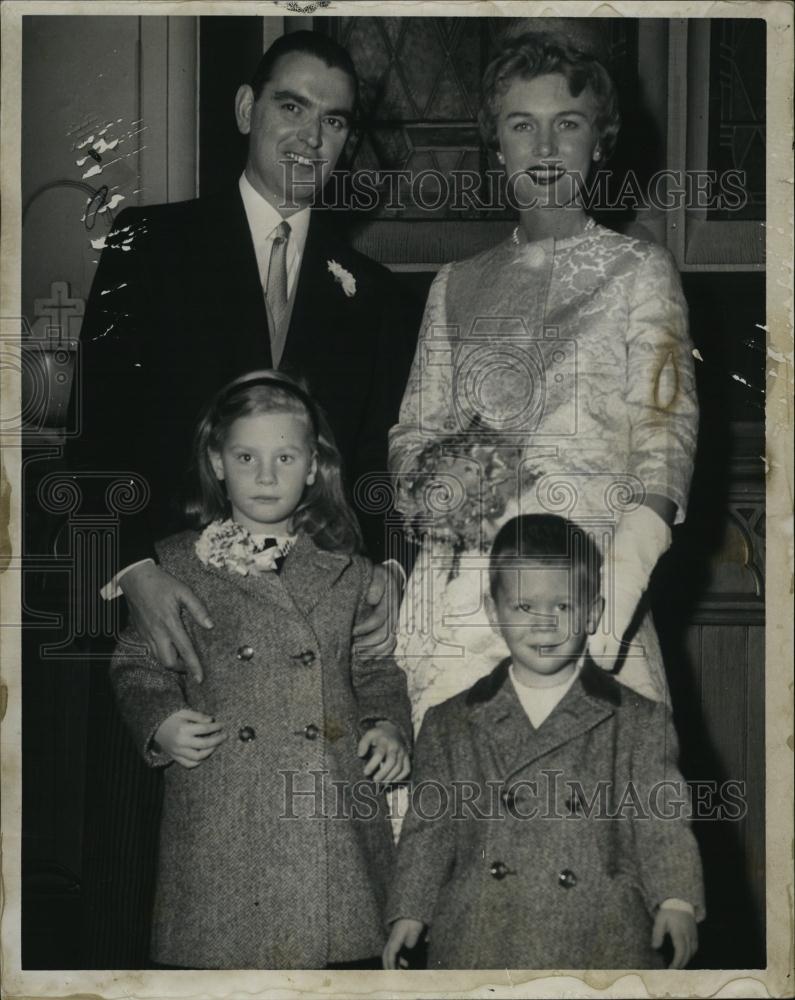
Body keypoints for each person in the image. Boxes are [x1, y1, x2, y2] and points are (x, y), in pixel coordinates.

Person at [72, 30, 420, 679]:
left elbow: (382, 460)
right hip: (169, 624)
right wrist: (131, 572)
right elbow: (95, 439)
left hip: (314, 640)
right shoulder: (146, 247)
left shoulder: (376, 295)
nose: (310, 137)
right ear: (244, 110)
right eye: (291, 107)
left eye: (333, 120)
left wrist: (395, 569)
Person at [388, 36, 698, 728]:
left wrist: (610, 599)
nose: (545, 146)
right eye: (521, 124)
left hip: (587, 591)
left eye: (568, 123)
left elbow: (664, 437)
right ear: (496, 145)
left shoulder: (637, 270)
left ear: (599, 141)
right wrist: (445, 488)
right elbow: (413, 434)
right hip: (462, 599)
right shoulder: (455, 284)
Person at [110, 371, 412, 969]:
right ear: (218, 464)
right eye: (247, 456)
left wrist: (388, 725)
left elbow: (375, 669)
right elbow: (137, 662)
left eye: (285, 457)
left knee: (336, 969)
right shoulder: (177, 564)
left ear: (312, 468)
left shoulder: (348, 570)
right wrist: (161, 721)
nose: (267, 475)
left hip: (329, 810)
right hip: (224, 805)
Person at [383, 514, 704, 971]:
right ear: (494, 614)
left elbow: (662, 821)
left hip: (599, 932)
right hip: (482, 933)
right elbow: (428, 833)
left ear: (593, 612)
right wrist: (409, 911)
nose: (544, 624)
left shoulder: (638, 721)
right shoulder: (449, 722)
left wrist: (677, 899)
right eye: (523, 607)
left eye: (564, 606)